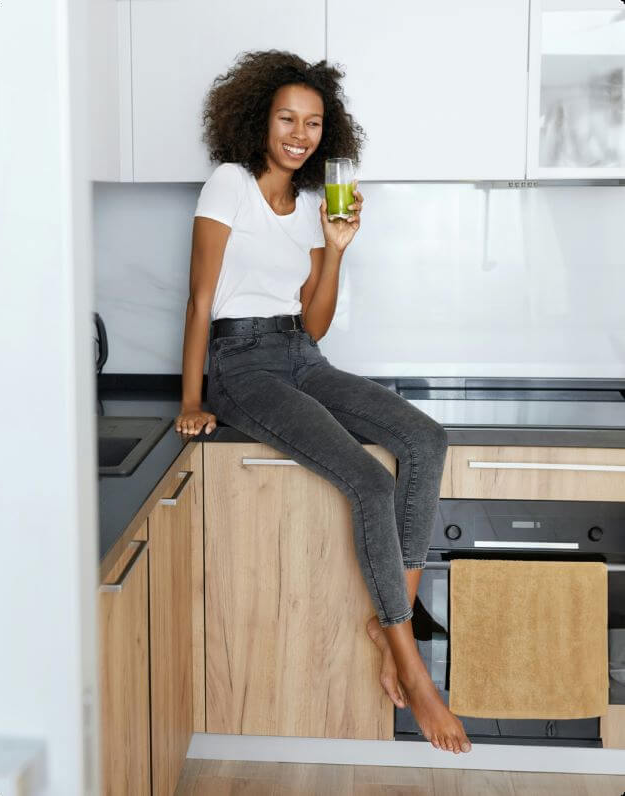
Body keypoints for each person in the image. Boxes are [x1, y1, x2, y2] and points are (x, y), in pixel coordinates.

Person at [175, 50, 472, 755]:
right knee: (369, 480)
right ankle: (409, 661)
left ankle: (386, 622)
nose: (299, 133)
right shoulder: (227, 186)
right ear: (258, 120)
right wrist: (192, 398)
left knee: (426, 441)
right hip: (242, 366)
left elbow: (311, 325)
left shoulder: (313, 204)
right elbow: (199, 299)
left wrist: (337, 249)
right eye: (286, 118)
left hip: (301, 356)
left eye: (312, 123)